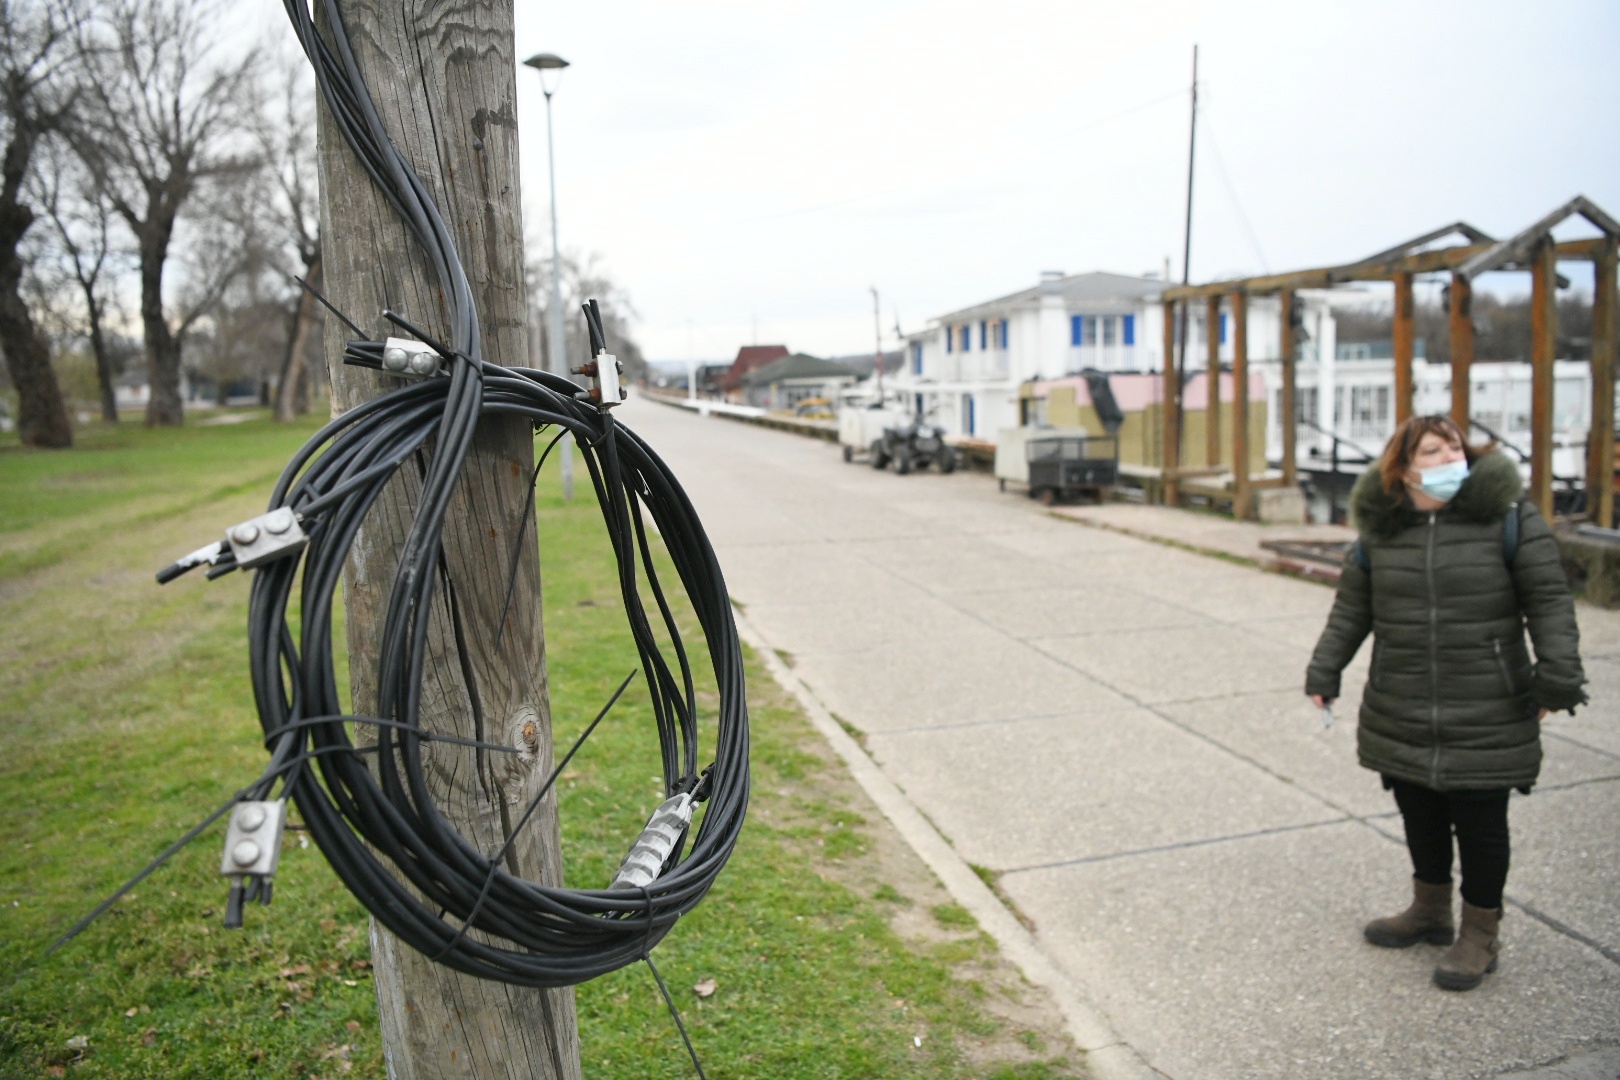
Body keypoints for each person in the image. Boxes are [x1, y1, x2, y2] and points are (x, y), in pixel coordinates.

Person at [1305, 414, 1586, 992]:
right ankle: (1429, 911)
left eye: (1453, 446)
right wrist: (1324, 669)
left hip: (1487, 699)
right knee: (1420, 812)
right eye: (1432, 450)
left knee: (1481, 822)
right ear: (1403, 468)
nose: (1448, 458)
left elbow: (1550, 601)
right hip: (1400, 699)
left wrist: (1557, 677)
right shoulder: (1380, 530)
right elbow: (1352, 611)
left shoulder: (1508, 517)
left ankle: (1480, 934)